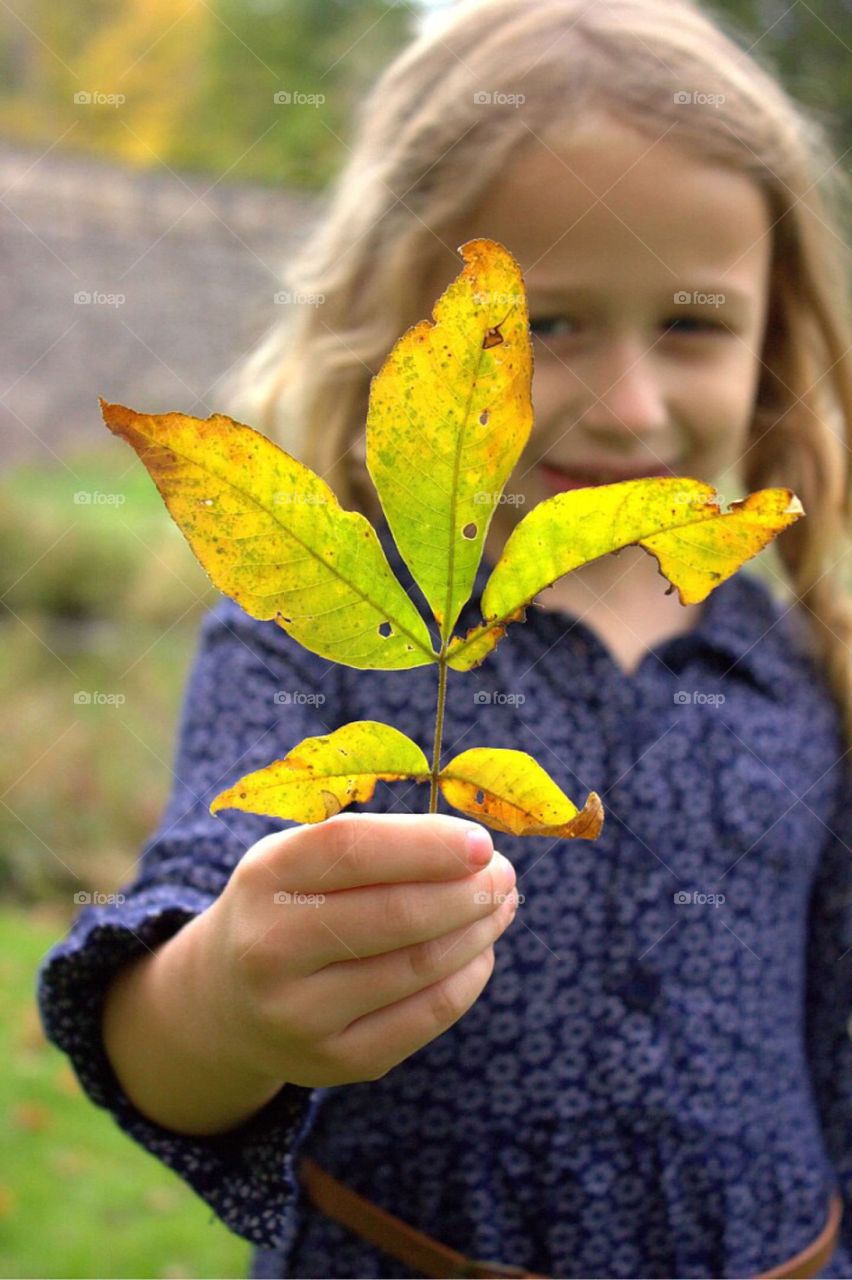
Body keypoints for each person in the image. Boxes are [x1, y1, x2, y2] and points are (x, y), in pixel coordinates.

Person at [37, 0, 852, 1275]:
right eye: (545, 326)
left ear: (773, 335)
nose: (629, 404)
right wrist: (231, 1003)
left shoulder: (806, 673)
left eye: (690, 324)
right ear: (399, 320)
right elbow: (149, 1016)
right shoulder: (307, 643)